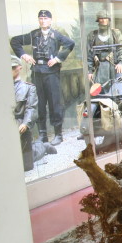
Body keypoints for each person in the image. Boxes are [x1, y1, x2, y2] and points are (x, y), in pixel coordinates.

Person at [10, 9, 75, 146]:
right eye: (40, 18)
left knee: (54, 104)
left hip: (51, 73)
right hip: (37, 72)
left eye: (45, 19)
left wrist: (57, 58)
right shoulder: (34, 35)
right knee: (39, 104)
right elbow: (15, 41)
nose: (43, 21)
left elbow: (70, 44)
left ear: (50, 20)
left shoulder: (56, 35)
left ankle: (58, 134)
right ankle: (43, 135)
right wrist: (24, 55)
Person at [11, 55, 56, 171]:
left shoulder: (28, 88)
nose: (9, 71)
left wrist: (26, 123)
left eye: (12, 68)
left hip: (20, 127)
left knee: (26, 165)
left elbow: (31, 108)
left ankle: (42, 147)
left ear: (19, 68)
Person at [87, 10, 122, 92]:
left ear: (108, 19)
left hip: (114, 67)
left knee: (117, 89)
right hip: (99, 68)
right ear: (98, 20)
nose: (103, 20)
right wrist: (90, 71)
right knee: (99, 91)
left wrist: (121, 62)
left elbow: (121, 48)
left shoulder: (115, 33)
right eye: (101, 18)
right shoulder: (92, 35)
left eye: (105, 18)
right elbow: (89, 54)